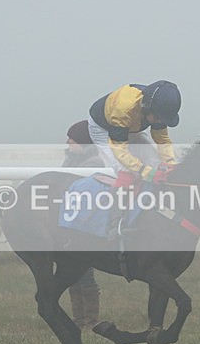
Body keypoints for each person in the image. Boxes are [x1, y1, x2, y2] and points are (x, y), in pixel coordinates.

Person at [87, 80, 181, 185]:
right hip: (103, 129)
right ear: (147, 108)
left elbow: (162, 140)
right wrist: (147, 172)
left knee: (156, 163)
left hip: (130, 126)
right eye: (158, 118)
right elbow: (120, 150)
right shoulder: (124, 109)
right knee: (127, 175)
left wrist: (170, 163)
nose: (159, 122)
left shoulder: (157, 109)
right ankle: (112, 199)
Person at [63, 120, 104, 329]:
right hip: (74, 222)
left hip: (86, 224)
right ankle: (79, 319)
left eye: (72, 139)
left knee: (85, 273)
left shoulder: (93, 164)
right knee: (74, 272)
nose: (68, 142)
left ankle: (89, 320)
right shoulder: (75, 161)